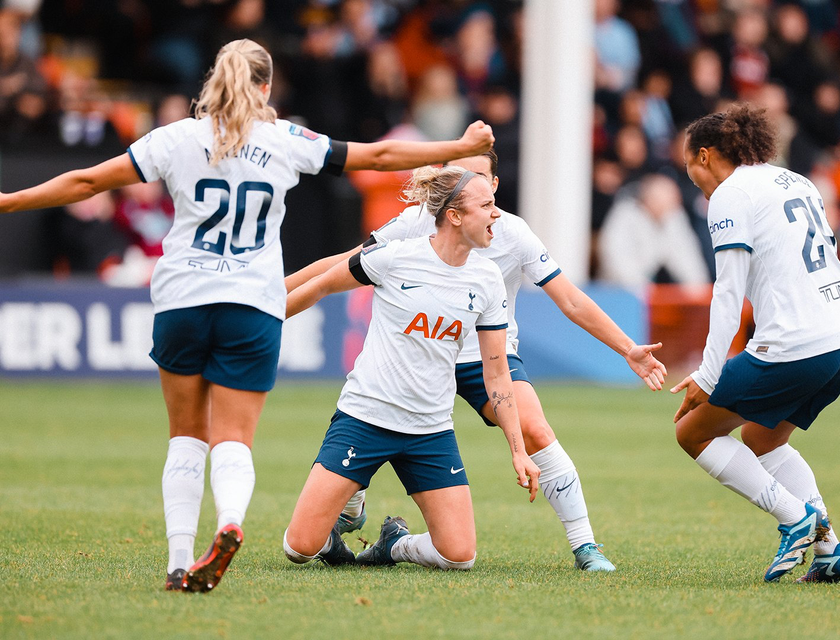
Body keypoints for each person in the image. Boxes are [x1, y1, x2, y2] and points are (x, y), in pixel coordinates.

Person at [0, 39, 495, 593]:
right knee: (234, 439)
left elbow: (88, 181)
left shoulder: (178, 137)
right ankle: (231, 523)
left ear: (215, 80)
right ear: (266, 87)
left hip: (184, 299)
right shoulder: (284, 140)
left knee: (185, 438)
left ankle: (178, 561)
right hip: (251, 307)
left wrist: (8, 201)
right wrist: (458, 144)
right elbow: (375, 156)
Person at [285, 148, 667, 571]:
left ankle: (584, 546)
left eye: (486, 190)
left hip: (467, 371)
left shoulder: (506, 244)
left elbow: (562, 310)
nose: (492, 210)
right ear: (451, 207)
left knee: (532, 432)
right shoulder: (410, 232)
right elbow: (338, 269)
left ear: (494, 184)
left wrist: (627, 348)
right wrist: (265, 305)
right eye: (472, 190)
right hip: (394, 382)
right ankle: (350, 505)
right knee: (304, 539)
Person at [282, 165, 539, 572]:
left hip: (430, 431)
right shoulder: (394, 257)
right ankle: (342, 516)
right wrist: (262, 321)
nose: (497, 214)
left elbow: (497, 374)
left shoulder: (488, 279)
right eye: (487, 205)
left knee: (460, 557)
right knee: (299, 548)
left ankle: (394, 544)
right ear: (454, 216)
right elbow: (321, 285)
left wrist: (518, 451)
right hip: (365, 418)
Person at [671, 105, 840, 583]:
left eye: (689, 164)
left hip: (794, 345)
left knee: (692, 432)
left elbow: (728, 293)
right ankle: (830, 551)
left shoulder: (730, 195)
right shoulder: (796, 181)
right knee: (761, 437)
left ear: (704, 154)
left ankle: (796, 518)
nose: (691, 176)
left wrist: (709, 375)